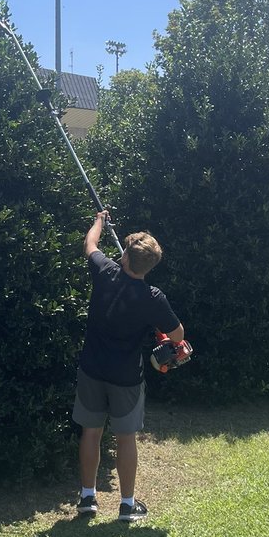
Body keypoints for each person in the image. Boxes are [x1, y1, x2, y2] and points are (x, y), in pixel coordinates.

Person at [73, 210, 184, 521]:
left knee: (91, 433)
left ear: (124, 257)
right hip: (126, 378)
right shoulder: (153, 297)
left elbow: (90, 244)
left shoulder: (105, 271)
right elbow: (178, 335)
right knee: (126, 438)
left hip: (92, 369)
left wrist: (99, 221)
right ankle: (126, 505)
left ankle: (87, 499)